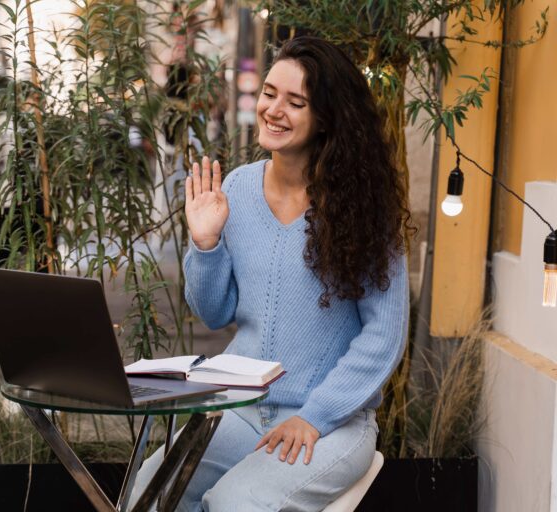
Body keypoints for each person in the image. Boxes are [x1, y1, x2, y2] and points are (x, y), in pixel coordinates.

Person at [130, 36, 411, 511]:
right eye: (269, 93)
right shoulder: (237, 189)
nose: (274, 110)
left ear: (325, 118)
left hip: (331, 422)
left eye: (295, 102)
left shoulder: (363, 209)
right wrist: (206, 243)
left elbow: (384, 335)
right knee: (150, 494)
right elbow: (215, 313)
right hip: (236, 411)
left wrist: (316, 417)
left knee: (234, 505)